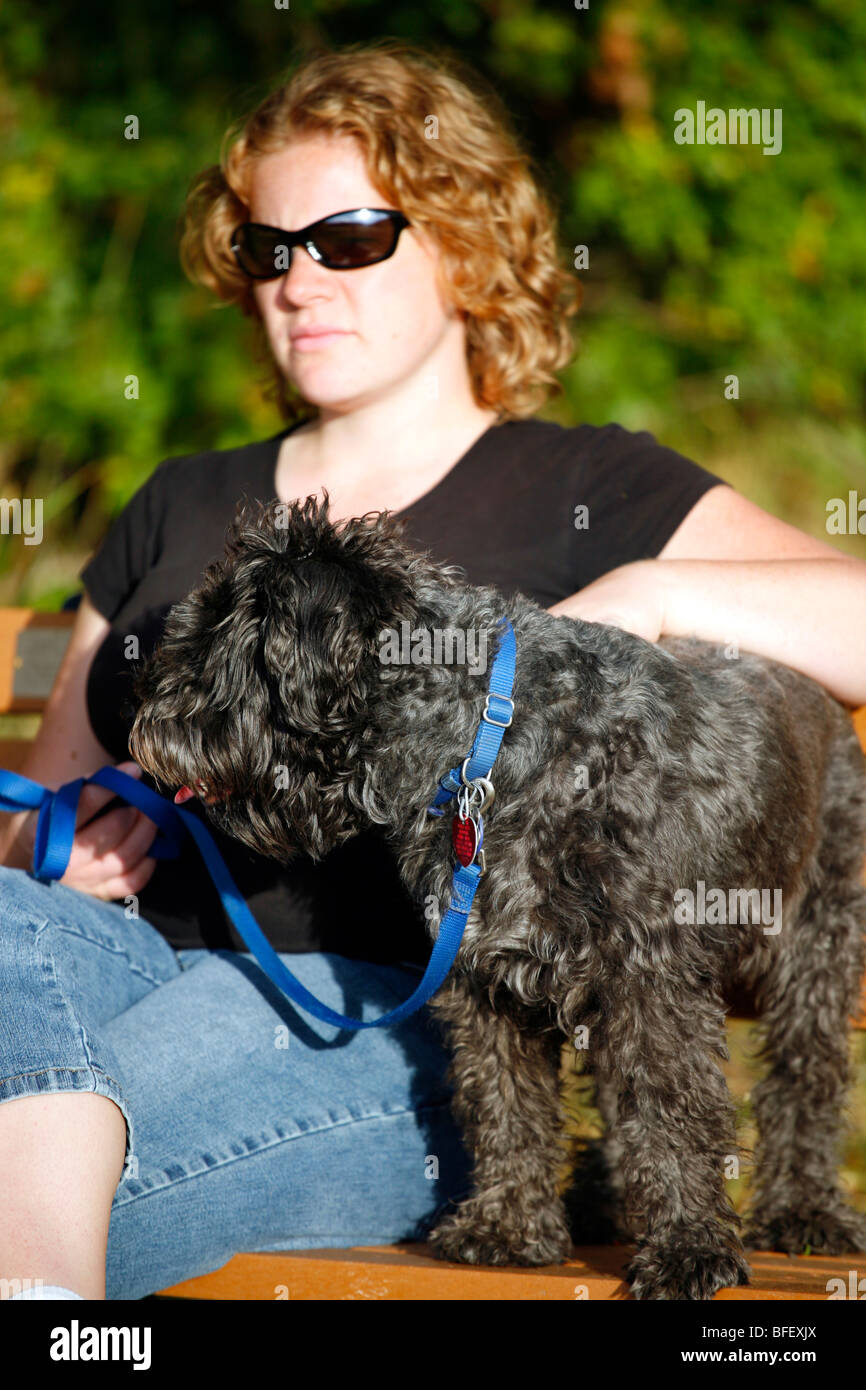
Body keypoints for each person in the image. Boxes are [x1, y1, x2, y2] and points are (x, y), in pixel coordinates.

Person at [0, 39, 863, 1303]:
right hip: (118, 978)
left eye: (348, 237)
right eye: (266, 247)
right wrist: (61, 846)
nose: (299, 279)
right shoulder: (177, 499)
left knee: (96, 1114)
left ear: (464, 242)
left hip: (393, 1019)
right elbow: (46, 824)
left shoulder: (590, 488)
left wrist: (653, 593)